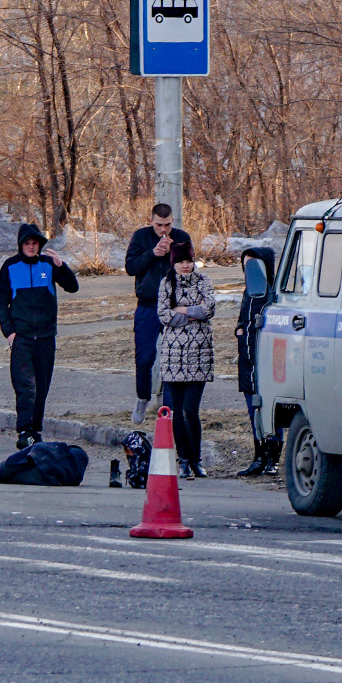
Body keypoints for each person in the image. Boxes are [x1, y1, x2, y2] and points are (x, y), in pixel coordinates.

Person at [0, 223, 79, 449]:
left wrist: (62, 267)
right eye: (27, 243)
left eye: (35, 243)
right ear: (21, 245)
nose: (31, 247)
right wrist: (10, 333)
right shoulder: (10, 266)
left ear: (40, 245)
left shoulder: (49, 264)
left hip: (45, 336)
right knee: (24, 386)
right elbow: (2, 302)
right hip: (21, 337)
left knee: (41, 386)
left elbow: (73, 287)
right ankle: (24, 430)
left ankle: (35, 430)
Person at [124, 203, 191, 424]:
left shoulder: (181, 237)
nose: (164, 230)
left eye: (168, 225)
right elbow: (131, 267)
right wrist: (153, 253)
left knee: (175, 357)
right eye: (159, 225)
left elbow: (189, 269)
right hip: (148, 304)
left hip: (174, 306)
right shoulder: (140, 237)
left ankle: (170, 408)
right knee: (145, 358)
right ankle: (142, 397)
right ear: (151, 221)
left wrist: (174, 253)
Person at [157, 240, 216, 480]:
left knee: (191, 411)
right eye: (180, 261)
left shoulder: (204, 281)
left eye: (188, 260)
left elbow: (209, 309)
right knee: (177, 410)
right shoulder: (166, 283)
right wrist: (193, 311)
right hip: (173, 356)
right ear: (174, 262)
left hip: (199, 355)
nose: (185, 265)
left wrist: (181, 310)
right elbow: (163, 314)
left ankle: (196, 459)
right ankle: (182, 460)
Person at [234, 245, 282, 477]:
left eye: (252, 263)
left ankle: (272, 457)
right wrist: (240, 329)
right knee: (253, 408)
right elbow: (242, 319)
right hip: (248, 357)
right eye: (245, 263)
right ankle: (258, 456)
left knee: (271, 410)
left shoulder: (276, 292)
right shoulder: (249, 292)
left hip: (266, 359)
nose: (247, 267)